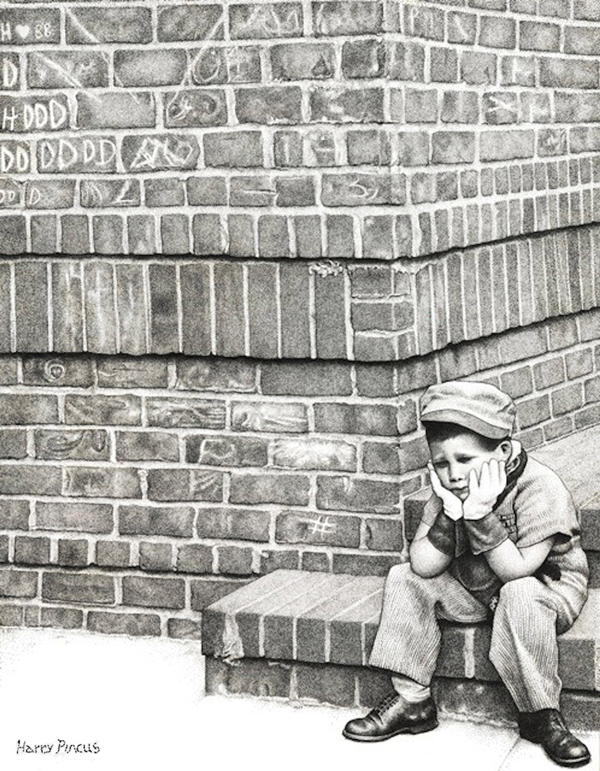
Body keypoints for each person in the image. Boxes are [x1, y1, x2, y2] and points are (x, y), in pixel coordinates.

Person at [342, 380, 590, 767]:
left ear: (503, 451)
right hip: (476, 586)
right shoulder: (450, 490)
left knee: (519, 595)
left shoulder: (541, 487)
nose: (454, 474)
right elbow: (423, 564)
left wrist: (479, 515)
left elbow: (516, 570)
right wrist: (447, 516)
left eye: (465, 460)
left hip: (543, 587)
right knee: (405, 578)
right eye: (441, 463)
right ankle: (412, 701)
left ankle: (541, 715)